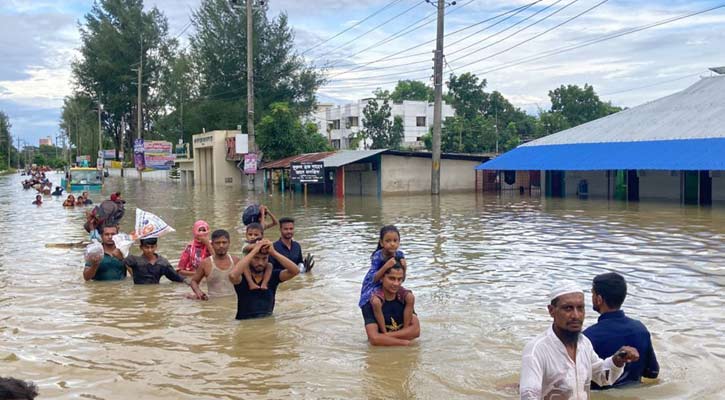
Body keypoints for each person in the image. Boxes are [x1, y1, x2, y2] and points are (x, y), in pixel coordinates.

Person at [519, 281, 641, 400]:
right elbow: (528, 395)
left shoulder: (584, 344)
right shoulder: (536, 350)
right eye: (568, 308)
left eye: (580, 308)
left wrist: (617, 360)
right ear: (551, 311)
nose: (576, 315)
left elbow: (602, 377)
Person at [584, 272, 659, 389]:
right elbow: (652, 373)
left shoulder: (588, 337)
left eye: (592, 293)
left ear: (599, 299)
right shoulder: (641, 329)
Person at [229, 239, 300, 320]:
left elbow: (295, 271)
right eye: (256, 258)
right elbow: (232, 276)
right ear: (249, 258)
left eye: (264, 258)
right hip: (245, 323)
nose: (260, 263)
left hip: (268, 322)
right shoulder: (242, 278)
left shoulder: (272, 276)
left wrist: (274, 253)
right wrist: (254, 251)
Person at [359, 225, 409, 334]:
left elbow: (402, 278)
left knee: (409, 296)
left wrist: (405, 267)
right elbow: (374, 279)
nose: (392, 243)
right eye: (388, 241)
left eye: (395, 240)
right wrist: (386, 266)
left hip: (390, 284)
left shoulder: (400, 255)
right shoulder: (378, 256)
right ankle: (384, 332)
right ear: (381, 243)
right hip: (374, 285)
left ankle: (405, 329)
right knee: (376, 302)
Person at [362, 264, 420, 346]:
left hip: (389, 342)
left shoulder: (405, 299)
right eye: (391, 278)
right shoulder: (370, 303)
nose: (396, 283)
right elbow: (374, 339)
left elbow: (416, 331)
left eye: (399, 279)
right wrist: (404, 343)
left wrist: (384, 336)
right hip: (385, 350)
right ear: (382, 278)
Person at [188, 229, 239, 300]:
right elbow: (194, 281)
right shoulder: (205, 263)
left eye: (224, 242)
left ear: (229, 243)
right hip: (213, 302)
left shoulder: (236, 261)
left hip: (233, 300)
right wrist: (199, 292)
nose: (221, 245)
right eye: (217, 243)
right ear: (212, 244)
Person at [124, 237, 188, 285]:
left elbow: (176, 277)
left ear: (156, 246)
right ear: (141, 247)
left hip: (156, 293)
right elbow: (121, 258)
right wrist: (130, 238)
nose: (150, 250)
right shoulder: (134, 260)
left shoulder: (162, 263)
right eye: (147, 247)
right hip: (140, 296)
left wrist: (190, 282)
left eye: (152, 247)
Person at [240, 222, 272, 290]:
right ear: (246, 235)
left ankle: (264, 283)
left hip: (262, 266)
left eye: (256, 235)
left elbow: (270, 247)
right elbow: (247, 248)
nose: (252, 237)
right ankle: (251, 283)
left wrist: (267, 243)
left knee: (270, 265)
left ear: (262, 235)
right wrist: (259, 245)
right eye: (250, 234)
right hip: (247, 266)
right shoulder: (246, 244)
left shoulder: (263, 242)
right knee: (245, 266)